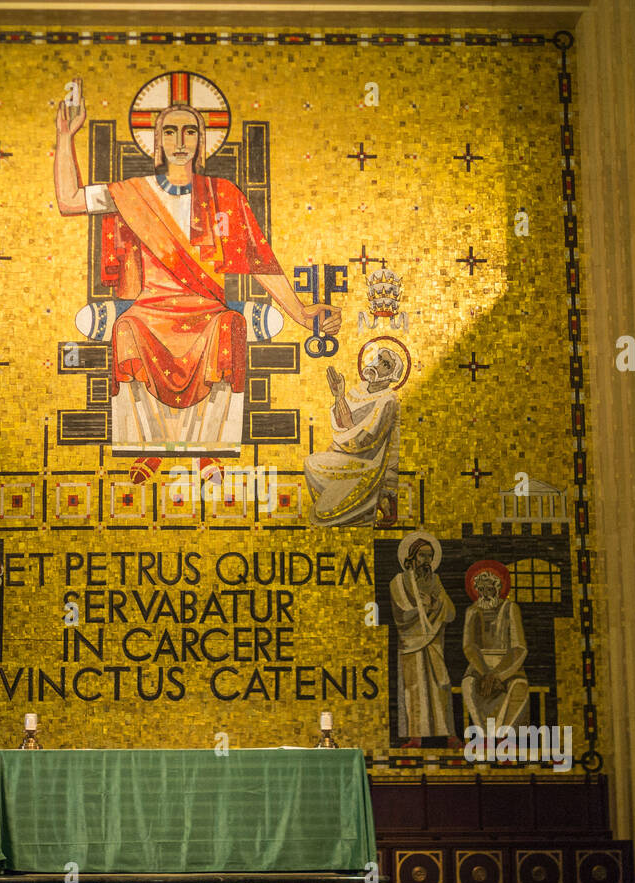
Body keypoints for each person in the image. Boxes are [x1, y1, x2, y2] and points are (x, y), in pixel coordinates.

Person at [53, 76, 340, 453]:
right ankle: (143, 450)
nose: (179, 141)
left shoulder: (223, 194)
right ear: (157, 142)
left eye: (190, 132)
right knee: (126, 329)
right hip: (150, 310)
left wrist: (302, 313)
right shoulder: (134, 193)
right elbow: (69, 200)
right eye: (170, 132)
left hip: (207, 310)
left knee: (230, 327)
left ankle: (213, 450)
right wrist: (65, 137)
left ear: (201, 142)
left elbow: (259, 262)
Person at [303, 343, 402, 526]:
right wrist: (339, 396)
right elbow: (343, 422)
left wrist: (343, 443)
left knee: (325, 514)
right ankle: (357, 500)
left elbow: (365, 440)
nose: (378, 365)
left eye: (385, 364)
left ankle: (372, 501)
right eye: (379, 359)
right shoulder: (360, 390)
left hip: (368, 462)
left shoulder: (388, 400)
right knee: (311, 463)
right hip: (347, 454)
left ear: (391, 375)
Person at [389, 532, 456, 745]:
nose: (426, 561)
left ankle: (449, 735)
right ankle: (415, 736)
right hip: (411, 643)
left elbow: (450, 612)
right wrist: (425, 605)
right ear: (411, 558)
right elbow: (402, 609)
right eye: (422, 556)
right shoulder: (399, 581)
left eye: (430, 556)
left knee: (441, 684)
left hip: (434, 642)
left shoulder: (436, 581)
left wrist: (435, 604)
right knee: (414, 688)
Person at [460, 563, 530, 729]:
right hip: (479, 666)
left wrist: (498, 675)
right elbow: (469, 646)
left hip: (509, 665)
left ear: (498, 588)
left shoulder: (510, 608)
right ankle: (484, 734)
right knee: (468, 685)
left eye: (489, 589)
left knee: (518, 687)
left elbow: (519, 647)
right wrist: (485, 673)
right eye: (481, 589)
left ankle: (503, 734)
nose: (485, 594)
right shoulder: (472, 611)